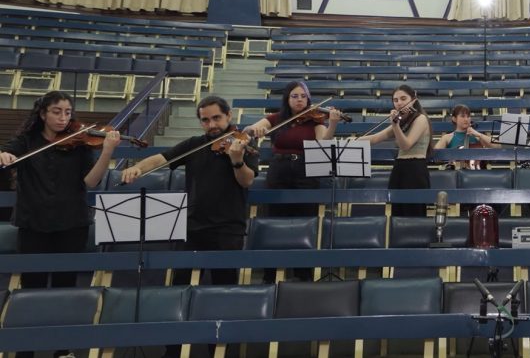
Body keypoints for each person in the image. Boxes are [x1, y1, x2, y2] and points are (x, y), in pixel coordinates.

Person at [1, 91, 120, 358]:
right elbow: (8, 150)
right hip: (33, 224)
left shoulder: (79, 143)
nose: (63, 118)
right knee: (31, 289)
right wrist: (4, 155)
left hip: (71, 225)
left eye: (67, 112)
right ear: (43, 114)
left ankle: (62, 350)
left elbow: (91, 182)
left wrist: (107, 151)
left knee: (66, 289)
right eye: (56, 112)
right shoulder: (27, 140)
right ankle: (25, 350)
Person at [122, 95, 258, 286]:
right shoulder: (194, 144)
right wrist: (138, 168)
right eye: (205, 120)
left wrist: (237, 160)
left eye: (216, 118)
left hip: (228, 228)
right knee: (181, 283)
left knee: (225, 285)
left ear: (229, 115)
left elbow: (246, 181)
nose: (211, 125)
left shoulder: (243, 144)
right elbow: (162, 158)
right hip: (193, 226)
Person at [243, 80, 343, 217]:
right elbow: (247, 130)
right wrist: (255, 130)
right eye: (294, 96)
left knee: (305, 213)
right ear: (287, 99)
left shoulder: (315, 120)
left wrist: (332, 125)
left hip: (305, 171)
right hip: (279, 169)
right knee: (274, 212)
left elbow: (323, 144)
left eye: (303, 96)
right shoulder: (277, 118)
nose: (299, 99)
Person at [358, 84, 431, 216]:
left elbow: (406, 145)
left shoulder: (420, 119)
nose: (399, 103)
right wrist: (350, 141)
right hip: (399, 168)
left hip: (415, 170)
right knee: (397, 214)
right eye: (395, 100)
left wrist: (395, 125)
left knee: (414, 214)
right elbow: (375, 138)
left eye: (403, 99)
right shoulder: (400, 120)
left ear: (413, 99)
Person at [434, 104, 499, 169]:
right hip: (455, 172)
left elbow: (498, 146)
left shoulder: (477, 136)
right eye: (462, 116)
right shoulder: (447, 138)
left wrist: (479, 135)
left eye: (468, 116)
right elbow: (435, 156)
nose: (466, 119)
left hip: (477, 172)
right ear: (454, 119)